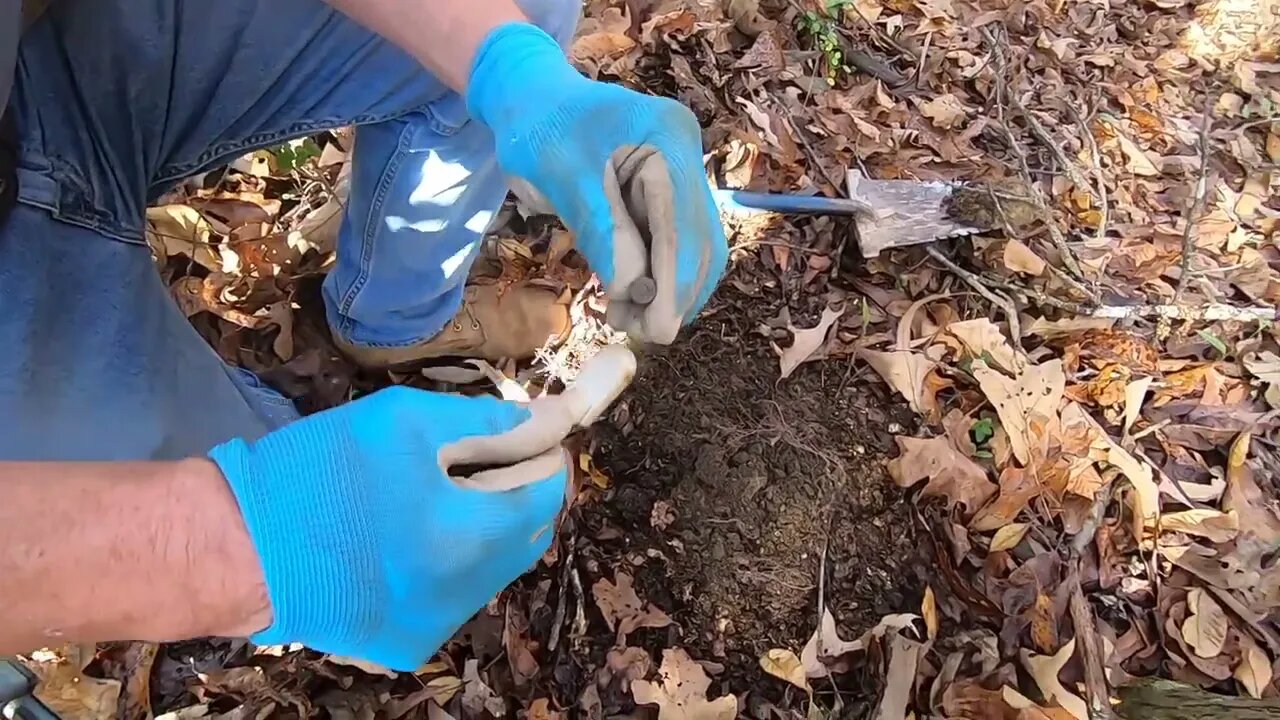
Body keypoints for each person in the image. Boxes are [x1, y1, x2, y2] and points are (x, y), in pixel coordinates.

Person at [0, 0, 727, 671]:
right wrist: (212, 548)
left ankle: (394, 320)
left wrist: (513, 68)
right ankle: (305, 554)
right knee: (294, 501)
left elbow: (502, 53)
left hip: (41, 79)